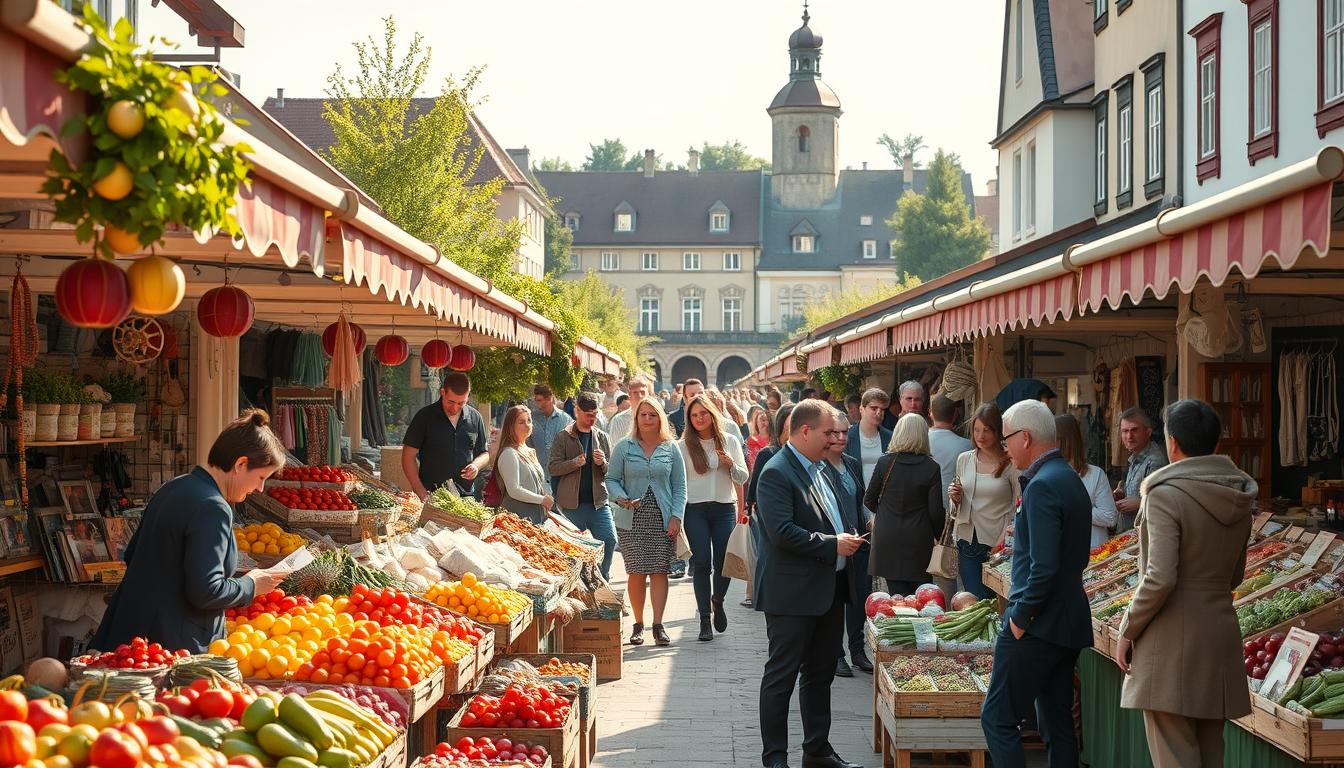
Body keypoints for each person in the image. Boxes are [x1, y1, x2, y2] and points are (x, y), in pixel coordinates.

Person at [1115, 399, 1254, 768]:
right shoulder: (1239, 495)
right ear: (1217, 445)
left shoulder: (1164, 494)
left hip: (1170, 641)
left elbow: (1159, 577)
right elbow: (1235, 576)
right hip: (1219, 634)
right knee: (1211, 755)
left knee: (1175, 757)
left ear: (1171, 442)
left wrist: (1128, 629)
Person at [92, 410, 286, 652]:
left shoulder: (174, 487)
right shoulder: (213, 507)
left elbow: (134, 554)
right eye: (260, 477)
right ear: (240, 464)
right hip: (170, 646)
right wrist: (251, 585)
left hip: (131, 636)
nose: (260, 488)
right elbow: (206, 591)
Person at [980, 399, 1093, 768]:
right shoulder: (1068, 477)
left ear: (1025, 438)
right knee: (1057, 722)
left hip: (1037, 624)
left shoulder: (1044, 485)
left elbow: (1044, 568)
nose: (1004, 449)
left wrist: (1019, 619)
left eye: (1007, 440)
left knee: (997, 718)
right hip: (1066, 621)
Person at [753, 400, 865, 768]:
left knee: (819, 675)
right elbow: (782, 533)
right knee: (781, 678)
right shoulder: (776, 471)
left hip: (828, 590)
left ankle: (817, 751)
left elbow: (830, 517)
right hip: (792, 594)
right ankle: (775, 759)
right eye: (827, 432)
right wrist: (834, 544)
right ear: (804, 431)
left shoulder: (822, 468)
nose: (835, 438)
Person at [606, 398, 687, 647]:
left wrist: (676, 517)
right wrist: (621, 497)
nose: (648, 419)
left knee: (660, 570)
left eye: (653, 415)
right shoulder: (624, 446)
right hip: (632, 517)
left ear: (660, 418)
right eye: (644, 415)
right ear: (636, 418)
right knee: (636, 571)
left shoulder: (671, 448)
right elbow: (611, 479)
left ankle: (658, 625)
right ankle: (638, 624)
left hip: (662, 518)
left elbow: (680, 487)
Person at [678, 394, 749, 641]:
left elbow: (743, 477)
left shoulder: (729, 440)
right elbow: (679, 483)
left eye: (703, 413)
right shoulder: (683, 445)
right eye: (694, 415)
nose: (699, 418)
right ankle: (705, 618)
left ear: (712, 414)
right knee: (701, 563)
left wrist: (730, 464)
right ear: (689, 418)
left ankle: (717, 600)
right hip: (694, 509)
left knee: (723, 562)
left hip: (724, 508)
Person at [864, 413, 943, 596]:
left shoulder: (885, 462)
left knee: (896, 597)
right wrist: (939, 536)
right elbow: (936, 512)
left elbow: (869, 499)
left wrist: (885, 513)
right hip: (919, 540)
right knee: (922, 597)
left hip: (888, 537)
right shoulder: (931, 467)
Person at [948, 405, 1019, 600]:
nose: (981, 435)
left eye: (987, 429)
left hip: (999, 543)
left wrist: (1006, 537)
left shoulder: (1010, 463)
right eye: (977, 429)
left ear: (998, 431)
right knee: (976, 601)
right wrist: (955, 497)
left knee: (999, 601)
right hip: (967, 540)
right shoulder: (964, 459)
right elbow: (955, 506)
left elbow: (1018, 505)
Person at [823, 411, 873, 677]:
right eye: (835, 432)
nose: (841, 437)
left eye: (845, 432)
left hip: (858, 543)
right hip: (833, 544)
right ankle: (836, 654)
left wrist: (868, 522)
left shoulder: (852, 464)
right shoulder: (818, 466)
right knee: (834, 600)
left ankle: (857, 650)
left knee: (858, 598)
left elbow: (860, 500)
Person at [549, 394, 618, 580]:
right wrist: (574, 463)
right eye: (588, 414)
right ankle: (581, 584)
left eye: (595, 414)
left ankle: (602, 579)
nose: (591, 419)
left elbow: (612, 473)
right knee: (575, 550)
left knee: (609, 540)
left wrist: (603, 463)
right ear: (576, 410)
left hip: (598, 503)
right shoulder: (563, 437)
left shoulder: (602, 437)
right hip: (571, 505)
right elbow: (553, 468)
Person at [402, 373, 489, 500]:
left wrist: (476, 465)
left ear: (468, 396)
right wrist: (421, 493)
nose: (455, 408)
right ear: (442, 392)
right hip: (432, 494)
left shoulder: (476, 417)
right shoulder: (424, 417)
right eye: (451, 402)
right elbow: (408, 457)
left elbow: (484, 453)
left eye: (461, 403)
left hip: (466, 495)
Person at [1056, 414, 1119, 547]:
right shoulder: (1048, 475)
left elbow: (1110, 517)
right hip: (1061, 554)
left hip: (1094, 555)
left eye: (1053, 439)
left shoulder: (1095, 474)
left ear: (1063, 441)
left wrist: (1075, 509)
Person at [494, 405, 553, 524]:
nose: (527, 425)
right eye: (521, 422)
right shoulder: (509, 453)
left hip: (537, 519)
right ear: (511, 427)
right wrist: (542, 500)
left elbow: (539, 483)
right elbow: (514, 490)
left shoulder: (529, 451)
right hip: (517, 520)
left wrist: (548, 496)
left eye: (529, 420)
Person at [1114, 407, 1169, 532]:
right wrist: (1122, 492)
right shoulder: (1136, 455)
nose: (1129, 436)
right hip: (1129, 534)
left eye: (1134, 430)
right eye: (1124, 431)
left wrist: (1140, 503)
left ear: (1148, 432)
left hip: (1143, 537)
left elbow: (1163, 501)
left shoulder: (1155, 461)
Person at [928, 395, 972, 511]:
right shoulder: (968, 446)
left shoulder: (919, 441)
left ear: (930, 413)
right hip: (954, 508)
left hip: (922, 508)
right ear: (955, 415)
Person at [529, 384, 574, 489]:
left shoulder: (566, 420)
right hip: (537, 477)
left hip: (560, 478)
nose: (536, 404)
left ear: (549, 399)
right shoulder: (531, 419)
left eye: (539, 400)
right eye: (535, 400)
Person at [846, 388, 893, 489]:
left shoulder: (890, 437)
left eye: (882, 409)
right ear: (861, 408)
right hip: (858, 498)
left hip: (883, 499)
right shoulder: (847, 437)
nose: (879, 413)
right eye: (874, 408)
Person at [746, 406, 773, 471]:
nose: (766, 423)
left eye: (768, 420)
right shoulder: (751, 443)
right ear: (756, 423)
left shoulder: (777, 441)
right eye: (762, 420)